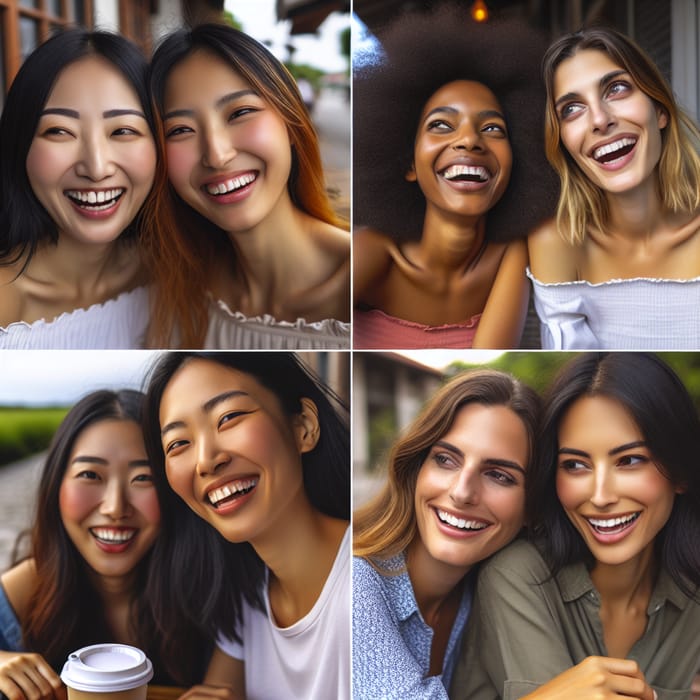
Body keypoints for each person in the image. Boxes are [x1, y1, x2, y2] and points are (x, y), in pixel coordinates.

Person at [452, 352, 700, 699]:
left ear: (680, 472)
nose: (599, 496)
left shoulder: (692, 591)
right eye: (575, 465)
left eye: (629, 460)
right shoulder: (520, 575)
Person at [142, 352, 350, 699]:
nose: (207, 460)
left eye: (229, 417)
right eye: (178, 444)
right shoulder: (249, 595)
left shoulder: (365, 585)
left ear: (304, 427)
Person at [352, 5, 558, 350]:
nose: (469, 140)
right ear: (408, 164)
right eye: (441, 125)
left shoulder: (512, 252)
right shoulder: (371, 250)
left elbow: (486, 362)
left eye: (493, 128)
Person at [145, 24, 350, 349]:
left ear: (292, 124)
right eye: (180, 130)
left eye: (240, 112)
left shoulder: (370, 285)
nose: (217, 155)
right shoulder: (172, 286)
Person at [0, 390, 210, 700]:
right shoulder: (17, 596)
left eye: (143, 478)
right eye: (90, 474)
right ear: (56, 485)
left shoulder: (211, 591)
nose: (115, 507)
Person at [353, 369, 541, 698]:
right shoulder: (352, 581)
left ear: (532, 508)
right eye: (445, 459)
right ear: (416, 468)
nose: (462, 492)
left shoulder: (489, 591)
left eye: (498, 475)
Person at [528, 27, 700, 349]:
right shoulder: (557, 241)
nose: (599, 119)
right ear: (562, 142)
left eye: (617, 89)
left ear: (659, 110)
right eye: (571, 109)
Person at [0, 29, 158, 349]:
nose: (97, 168)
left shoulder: (180, 272)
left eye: (123, 131)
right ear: (21, 145)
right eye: (59, 131)